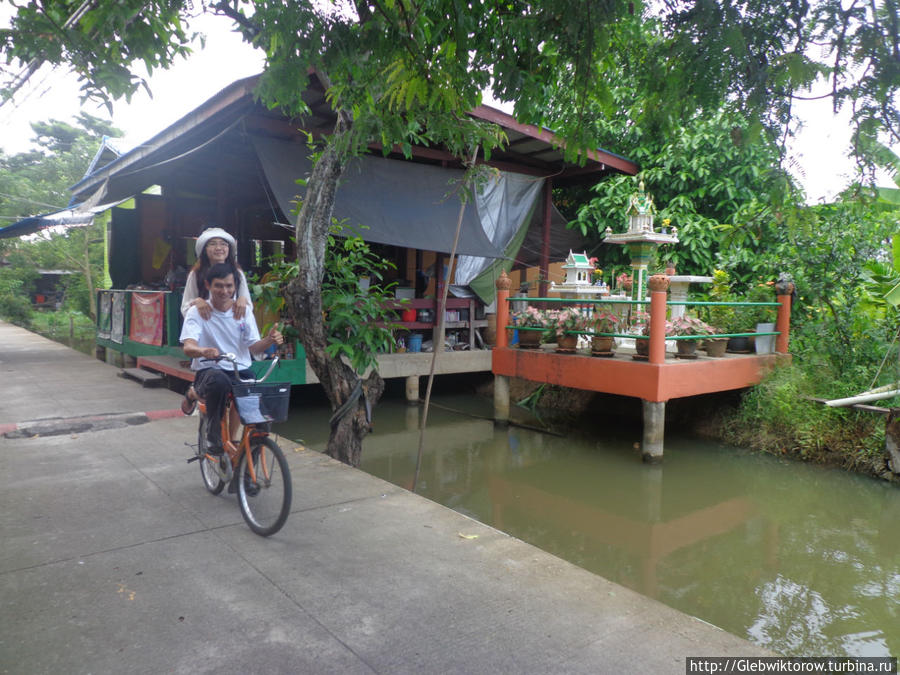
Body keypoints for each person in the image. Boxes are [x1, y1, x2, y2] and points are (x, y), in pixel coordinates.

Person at [179, 262, 282, 452]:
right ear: (208, 285)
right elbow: (188, 346)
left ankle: (247, 470)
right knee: (219, 382)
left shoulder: (243, 311)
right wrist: (203, 351)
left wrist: (269, 340)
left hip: (239, 368)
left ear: (235, 287)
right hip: (209, 370)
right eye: (218, 285)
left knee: (259, 417)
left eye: (229, 286)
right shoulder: (198, 311)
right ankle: (213, 434)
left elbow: (254, 346)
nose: (224, 291)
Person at [181, 227, 252, 320]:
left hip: (231, 326)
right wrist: (197, 303)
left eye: (223, 244)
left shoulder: (237, 272)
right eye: (212, 244)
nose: (218, 248)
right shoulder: (196, 274)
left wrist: (242, 300)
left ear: (229, 249)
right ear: (204, 250)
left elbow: (248, 307)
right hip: (205, 326)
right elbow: (185, 308)